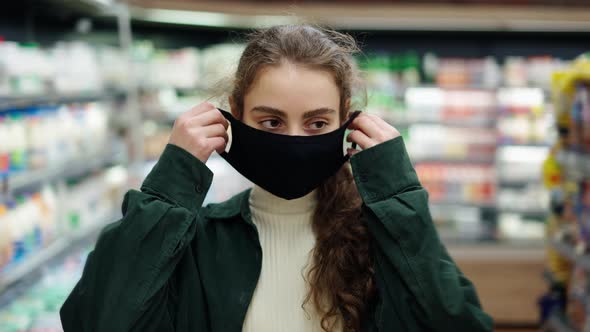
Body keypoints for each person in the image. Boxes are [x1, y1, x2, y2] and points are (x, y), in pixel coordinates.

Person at [60, 25, 493, 332]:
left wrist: (397, 193)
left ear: (347, 120)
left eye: (317, 123)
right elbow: (97, 319)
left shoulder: (382, 239)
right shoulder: (197, 241)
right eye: (270, 122)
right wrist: (172, 182)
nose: (293, 140)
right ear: (234, 113)